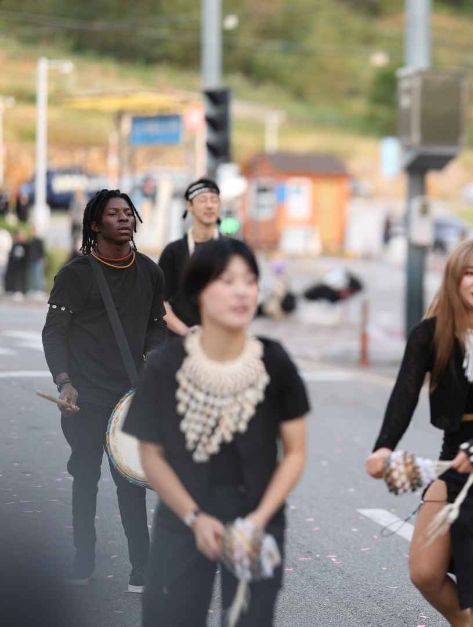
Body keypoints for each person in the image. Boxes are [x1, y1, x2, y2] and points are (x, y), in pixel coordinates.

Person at [124, 238, 309, 626]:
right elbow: (151, 455)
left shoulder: (274, 361)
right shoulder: (164, 366)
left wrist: (257, 521)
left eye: (249, 280)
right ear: (198, 292)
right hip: (183, 520)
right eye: (226, 281)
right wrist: (194, 518)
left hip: (258, 520)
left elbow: (294, 452)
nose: (241, 291)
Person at [366, 238, 473, 627]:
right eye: (470, 273)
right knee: (425, 571)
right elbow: (403, 396)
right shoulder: (429, 335)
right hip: (454, 450)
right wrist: (383, 448)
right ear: (454, 279)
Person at [41, 189, 166, 590]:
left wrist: (154, 361)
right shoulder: (76, 275)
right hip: (85, 395)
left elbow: (156, 328)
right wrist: (64, 382)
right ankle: (84, 557)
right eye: (114, 213)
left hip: (130, 397)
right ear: (95, 224)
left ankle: (142, 567)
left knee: (132, 482)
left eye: (128, 212)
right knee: (85, 478)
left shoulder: (150, 272)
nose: (124, 218)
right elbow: (54, 332)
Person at [159, 178, 222, 336]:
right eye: (202, 200)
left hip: (221, 340)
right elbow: (159, 303)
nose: (209, 205)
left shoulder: (233, 250)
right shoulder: (173, 251)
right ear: (190, 206)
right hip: (180, 340)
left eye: (214, 200)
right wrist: (185, 332)